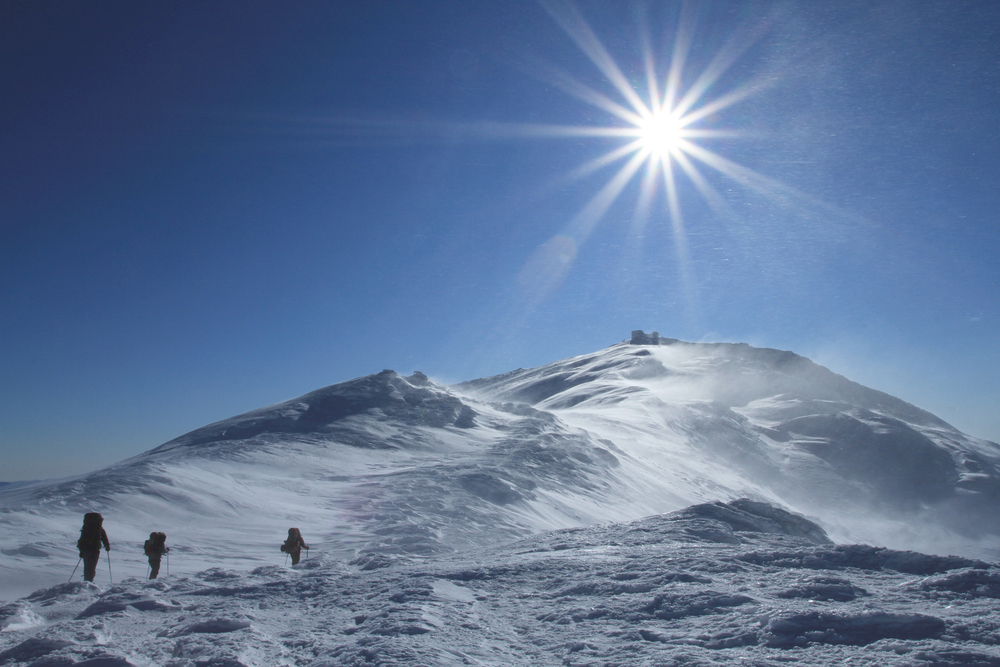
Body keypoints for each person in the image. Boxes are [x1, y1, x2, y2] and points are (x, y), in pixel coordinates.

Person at [77, 512, 110, 582]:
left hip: (86, 550)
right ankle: (89, 580)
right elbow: (104, 538)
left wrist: (81, 551)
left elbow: (82, 539)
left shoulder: (86, 528)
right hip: (94, 549)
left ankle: (86, 580)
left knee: (87, 565)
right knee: (92, 566)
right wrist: (107, 547)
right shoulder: (99, 528)